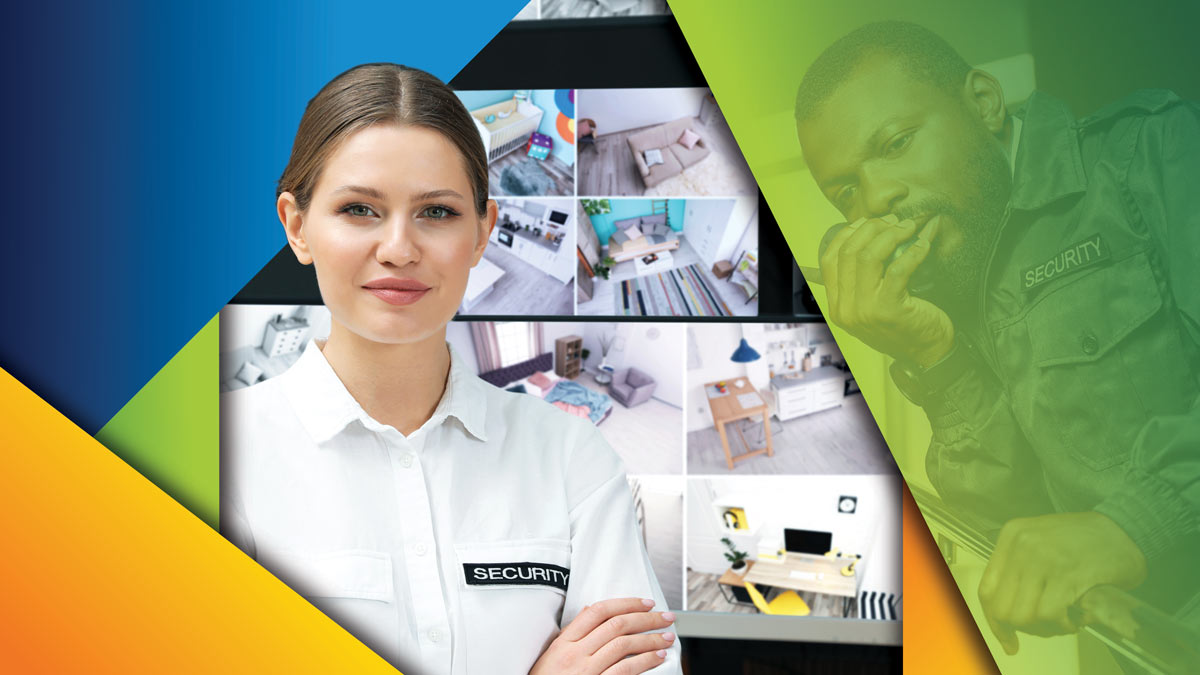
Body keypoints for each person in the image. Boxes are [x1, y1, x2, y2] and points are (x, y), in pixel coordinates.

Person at [221, 63, 681, 675]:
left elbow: (645, 663)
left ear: (482, 232)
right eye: (359, 209)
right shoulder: (215, 460)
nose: (399, 248)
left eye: (437, 213)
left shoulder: (571, 457)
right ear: (298, 228)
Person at [794, 21, 1200, 658]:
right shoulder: (950, 271)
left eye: (897, 143)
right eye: (845, 191)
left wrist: (1137, 521)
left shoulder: (1153, 149)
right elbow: (1019, 526)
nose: (877, 199)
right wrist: (933, 355)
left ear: (983, 103)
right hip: (1131, 646)